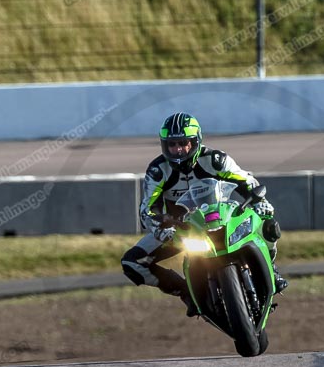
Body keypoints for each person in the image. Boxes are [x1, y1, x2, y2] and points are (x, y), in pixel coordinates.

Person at [121, 112, 288, 316]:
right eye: (171, 144)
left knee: (269, 224)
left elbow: (247, 181)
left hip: (223, 218)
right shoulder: (158, 170)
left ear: (196, 141)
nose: (177, 150)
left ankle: (272, 268)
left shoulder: (216, 160)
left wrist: (261, 203)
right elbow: (146, 209)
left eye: (183, 143)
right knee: (131, 262)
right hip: (182, 230)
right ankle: (186, 292)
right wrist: (160, 229)